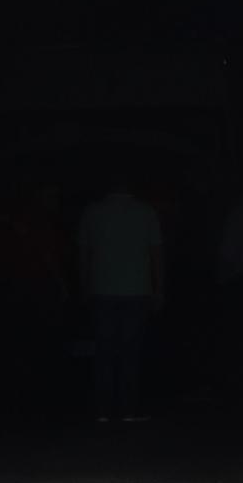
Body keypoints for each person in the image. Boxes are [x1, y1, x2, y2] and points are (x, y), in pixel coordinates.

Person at [74, 178, 166, 421]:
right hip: (136, 290)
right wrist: (158, 289)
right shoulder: (146, 212)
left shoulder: (92, 212)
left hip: (102, 289)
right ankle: (128, 409)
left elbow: (84, 254)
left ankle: (103, 409)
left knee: (104, 352)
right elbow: (156, 254)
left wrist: (84, 286)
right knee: (131, 352)